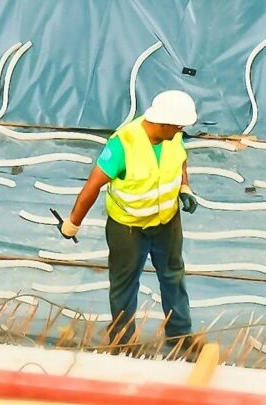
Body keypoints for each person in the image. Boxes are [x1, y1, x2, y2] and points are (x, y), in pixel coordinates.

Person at [59, 89, 198, 352]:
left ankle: (180, 335)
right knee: (124, 284)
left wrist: (185, 188)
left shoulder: (174, 137)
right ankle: (123, 342)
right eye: (178, 126)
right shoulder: (123, 144)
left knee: (173, 277)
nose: (182, 130)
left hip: (167, 223)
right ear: (163, 122)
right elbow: (93, 186)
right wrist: (72, 224)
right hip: (128, 228)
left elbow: (180, 161)